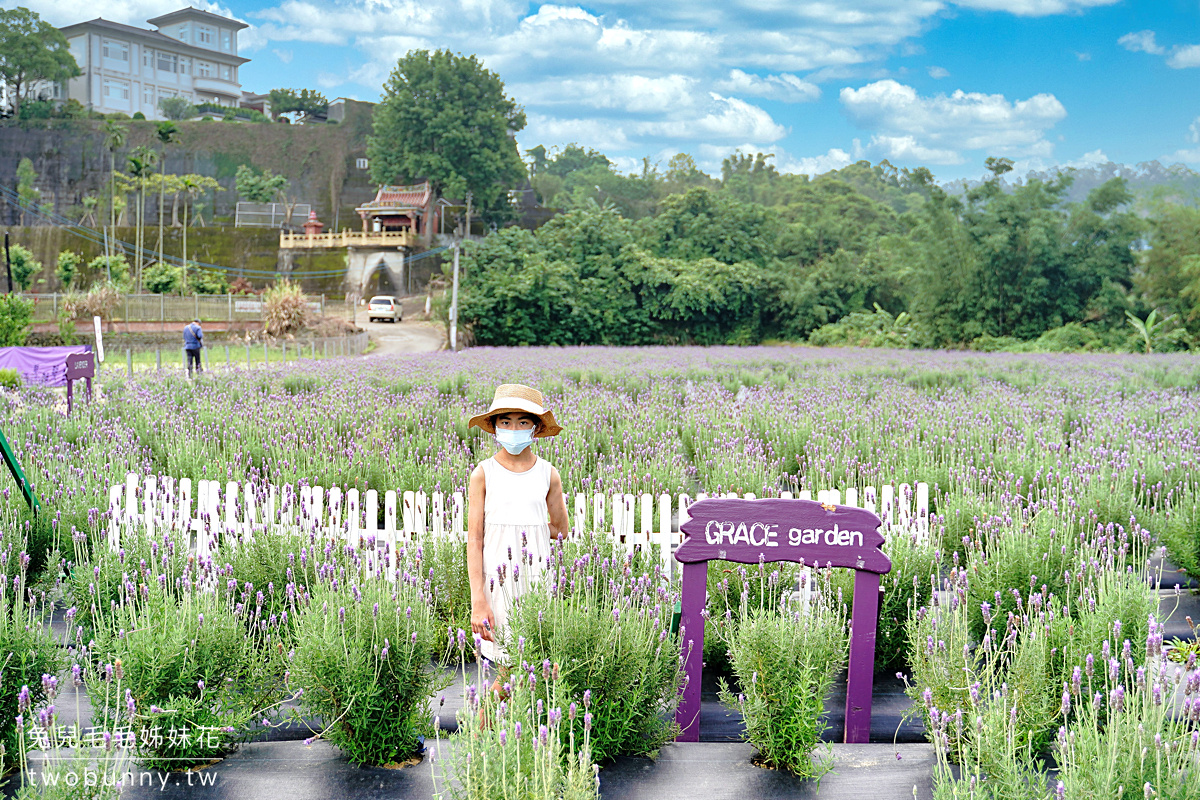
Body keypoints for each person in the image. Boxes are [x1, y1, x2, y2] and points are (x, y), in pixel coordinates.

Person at [466, 383, 569, 678]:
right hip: (498, 587)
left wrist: (530, 530)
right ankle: (478, 726)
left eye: (523, 421)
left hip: (537, 583)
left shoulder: (548, 474)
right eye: (506, 421)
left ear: (535, 428)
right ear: (495, 427)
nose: (514, 428)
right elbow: (475, 540)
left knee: (535, 668)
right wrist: (478, 600)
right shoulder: (484, 473)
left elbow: (560, 529)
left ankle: (486, 725)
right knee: (507, 672)